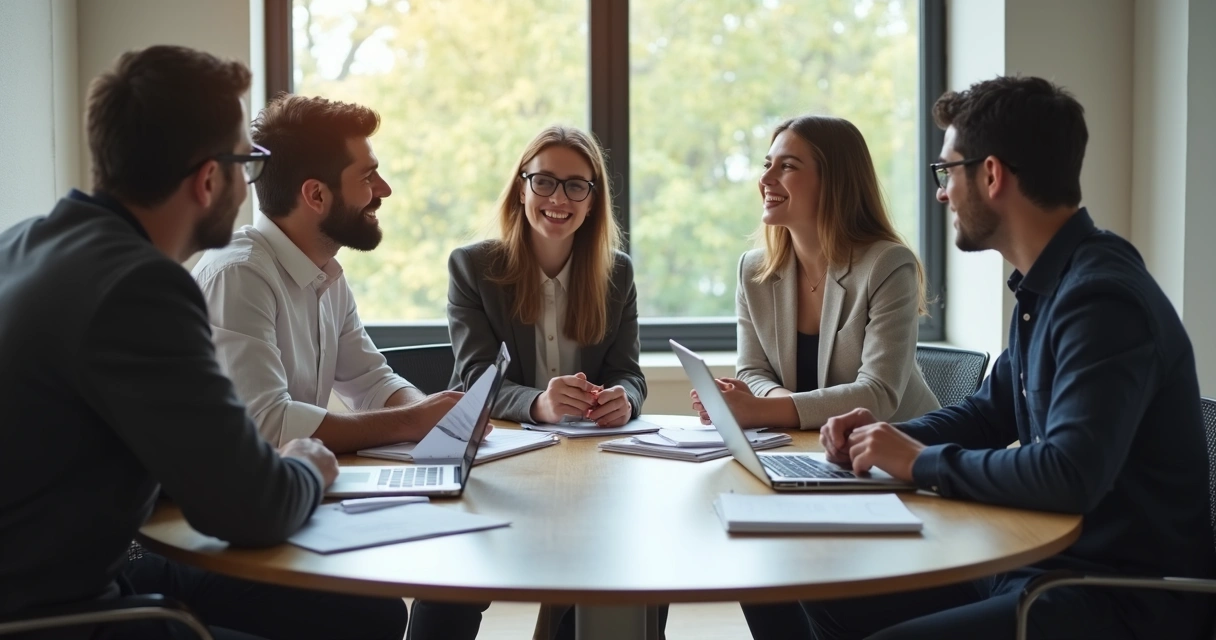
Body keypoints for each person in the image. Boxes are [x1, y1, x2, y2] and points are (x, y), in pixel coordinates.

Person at [0, 45, 406, 640]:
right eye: (246, 163)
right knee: (360, 620)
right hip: (59, 616)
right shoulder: (141, 287)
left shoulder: (23, 243)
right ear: (209, 179)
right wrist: (306, 466)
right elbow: (253, 508)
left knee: (360, 611)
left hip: (58, 580)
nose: (252, 185)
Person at [794, 76, 1216, 639]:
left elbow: (1068, 474)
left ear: (991, 175)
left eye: (947, 171)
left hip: (1111, 595)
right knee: (807, 586)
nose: (941, 192)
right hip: (1027, 566)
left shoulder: (1101, 299)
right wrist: (881, 439)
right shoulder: (1047, 288)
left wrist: (916, 461)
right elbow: (987, 414)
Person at [693, 115, 940, 637]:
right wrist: (768, 402)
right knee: (753, 560)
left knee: (797, 573)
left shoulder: (886, 264)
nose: (767, 178)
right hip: (807, 463)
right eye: (767, 164)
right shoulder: (754, 269)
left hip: (893, 476)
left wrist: (764, 410)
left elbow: (879, 395)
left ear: (834, 181)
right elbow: (752, 369)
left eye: (788, 165)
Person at [438, 124, 651, 639]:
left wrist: (627, 400)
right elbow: (476, 379)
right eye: (545, 182)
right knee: (450, 585)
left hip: (590, 468)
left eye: (577, 185)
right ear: (521, 187)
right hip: (498, 462)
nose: (560, 198)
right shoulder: (473, 267)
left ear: (593, 199)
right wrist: (539, 404)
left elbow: (628, 372)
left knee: (635, 573)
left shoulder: (615, 273)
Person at [192, 94, 462, 455]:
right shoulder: (238, 275)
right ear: (316, 195)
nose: (384, 189)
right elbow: (267, 425)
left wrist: (435, 420)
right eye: (367, 176)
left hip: (294, 486)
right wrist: (413, 420)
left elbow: (371, 382)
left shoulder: (324, 273)